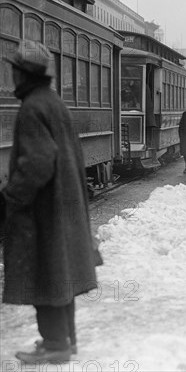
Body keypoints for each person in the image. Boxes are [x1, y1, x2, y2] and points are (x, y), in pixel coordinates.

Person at [0, 40, 102, 364]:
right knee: (61, 275)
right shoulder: (54, 102)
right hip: (63, 206)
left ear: (23, 74)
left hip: (43, 210)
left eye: (14, 70)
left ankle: (54, 344)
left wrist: (12, 197)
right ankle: (65, 341)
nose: (12, 76)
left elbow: (38, 162)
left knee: (44, 273)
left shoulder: (32, 108)